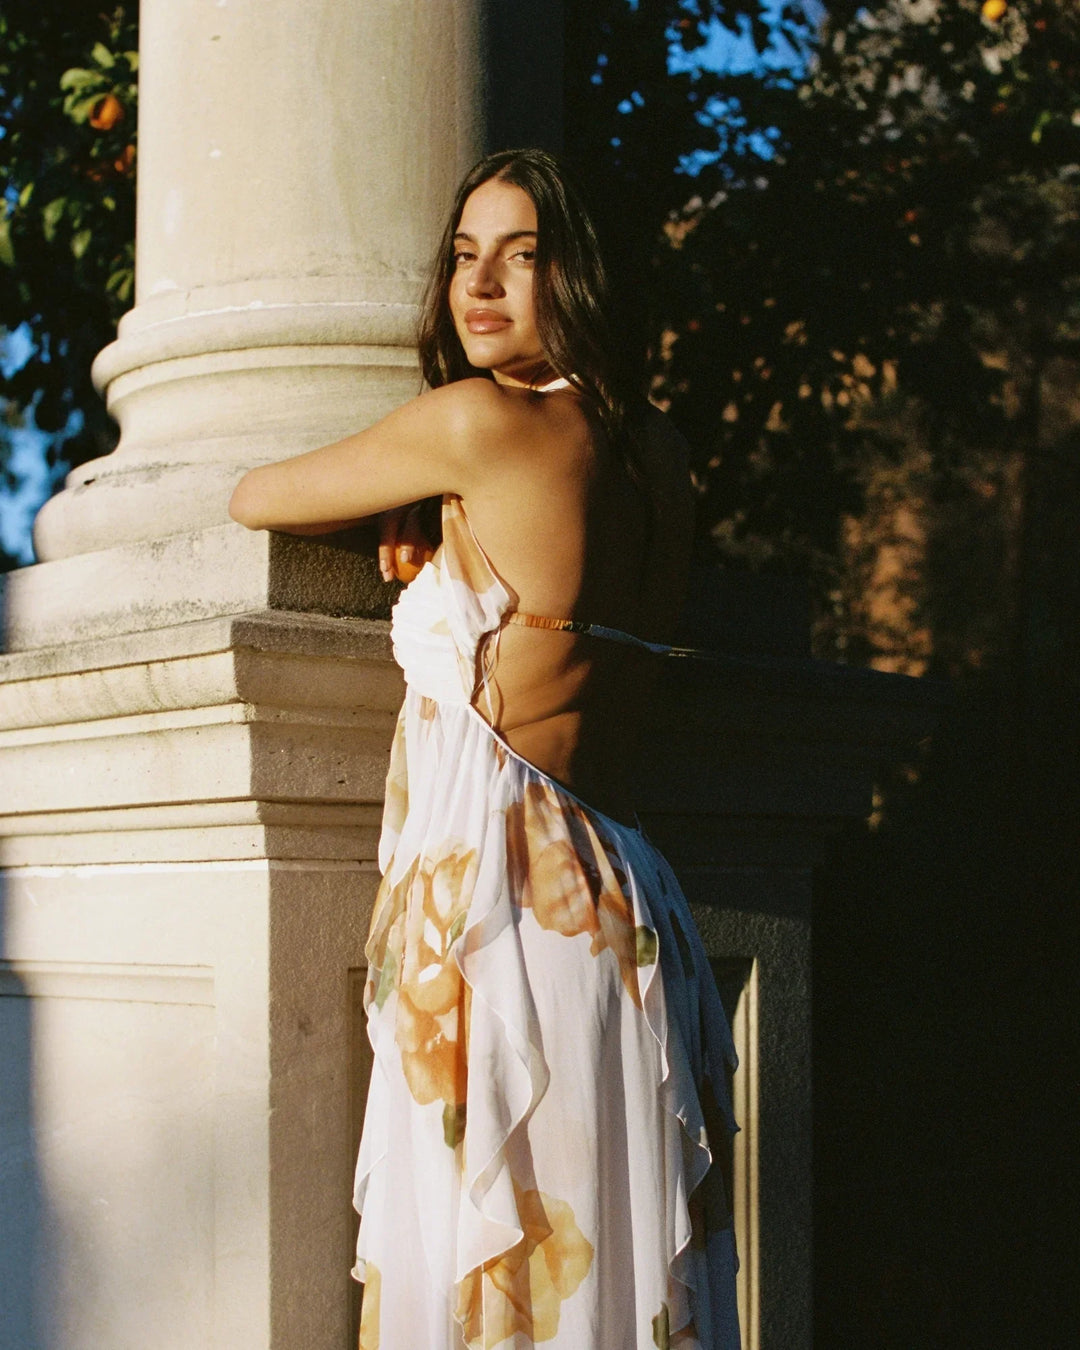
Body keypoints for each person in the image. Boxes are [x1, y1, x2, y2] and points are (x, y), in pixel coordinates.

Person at [229, 148, 740, 1350]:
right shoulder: (657, 457)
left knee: (501, 1297)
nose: (482, 284)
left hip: (510, 924)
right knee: (600, 1294)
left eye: (522, 254)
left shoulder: (475, 424)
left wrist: (421, 493)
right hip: (626, 909)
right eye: (465, 256)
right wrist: (442, 506)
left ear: (581, 273)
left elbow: (257, 493)